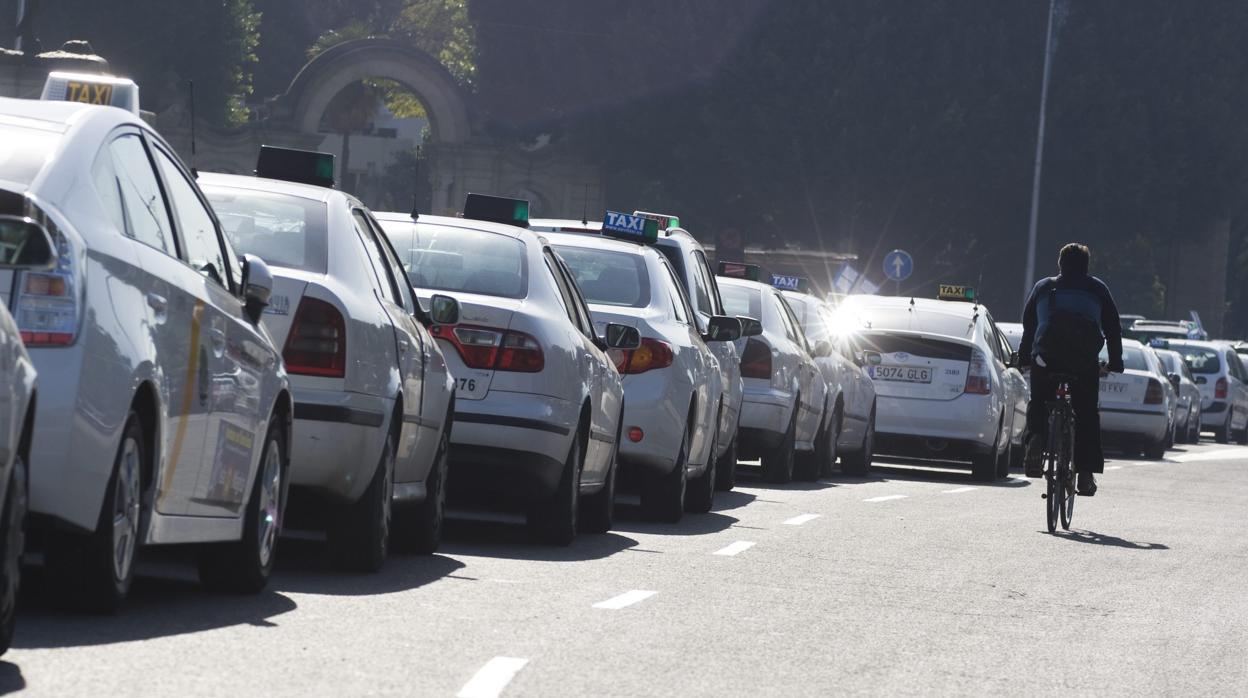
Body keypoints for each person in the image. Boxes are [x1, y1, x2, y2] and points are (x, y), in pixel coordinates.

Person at [1018, 243, 1123, 496]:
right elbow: (1113, 329)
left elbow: (1029, 327)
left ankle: (1036, 439)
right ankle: (1085, 474)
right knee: (1086, 413)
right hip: (1083, 363)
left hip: (1046, 359)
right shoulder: (1097, 289)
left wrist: (1024, 358)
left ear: (1060, 264)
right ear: (1086, 267)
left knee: (1039, 401)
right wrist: (1116, 362)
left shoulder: (1043, 287)